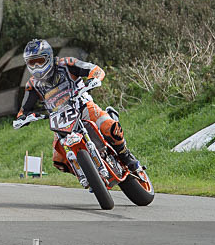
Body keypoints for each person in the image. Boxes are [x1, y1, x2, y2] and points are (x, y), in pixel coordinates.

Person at [14, 39, 141, 176]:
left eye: (40, 60)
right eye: (32, 62)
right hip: (60, 120)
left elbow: (95, 69)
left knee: (109, 127)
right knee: (59, 161)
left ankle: (125, 155)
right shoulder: (32, 84)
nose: (37, 66)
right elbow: (24, 109)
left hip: (83, 106)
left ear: (49, 57)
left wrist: (94, 78)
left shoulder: (66, 63)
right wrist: (22, 118)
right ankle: (88, 174)